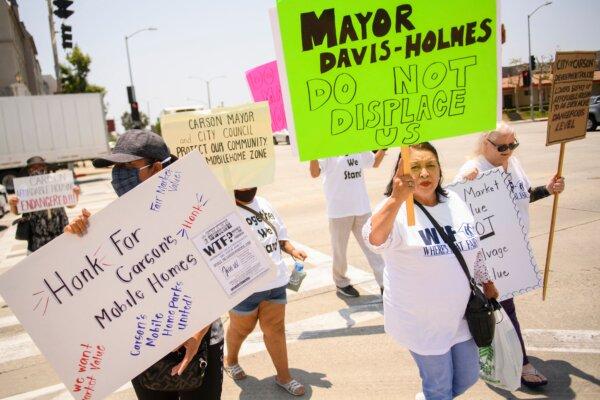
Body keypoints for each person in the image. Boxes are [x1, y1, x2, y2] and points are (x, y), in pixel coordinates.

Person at [65, 129, 223, 399]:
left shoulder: (198, 208)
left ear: (157, 168)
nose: (118, 174)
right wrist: (76, 240)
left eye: (127, 166)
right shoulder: (111, 224)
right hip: (141, 348)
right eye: (116, 167)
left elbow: (226, 275)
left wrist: (197, 333)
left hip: (203, 340)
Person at [363, 143, 499, 400]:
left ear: (439, 169)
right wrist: (396, 199)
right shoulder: (396, 210)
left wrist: (487, 280)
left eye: (430, 165)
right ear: (401, 173)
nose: (424, 173)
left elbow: (474, 246)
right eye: (415, 167)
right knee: (439, 388)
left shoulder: (454, 200)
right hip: (422, 322)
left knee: (468, 376)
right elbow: (375, 240)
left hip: (461, 314)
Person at [455, 122, 565, 389]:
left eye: (512, 144)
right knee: (505, 307)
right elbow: (457, 205)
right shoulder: (473, 171)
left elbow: (523, 196)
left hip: (512, 249)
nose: (508, 151)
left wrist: (548, 189)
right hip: (488, 256)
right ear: (485, 144)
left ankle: (488, 355)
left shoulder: (512, 164)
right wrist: (465, 182)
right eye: (502, 147)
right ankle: (522, 363)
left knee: (496, 309)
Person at [224, 187, 307, 396]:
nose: (247, 186)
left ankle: (284, 376)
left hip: (276, 282)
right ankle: (230, 359)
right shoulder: (222, 208)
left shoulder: (264, 203)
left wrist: (291, 250)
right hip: (245, 287)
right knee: (241, 329)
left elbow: (280, 238)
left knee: (276, 330)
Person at [309, 150, 386, 297]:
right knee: (340, 252)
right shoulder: (327, 149)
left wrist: (384, 147)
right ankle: (341, 283)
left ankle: (384, 284)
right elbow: (314, 173)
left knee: (373, 248)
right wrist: (311, 153)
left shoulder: (357, 144)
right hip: (339, 211)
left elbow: (374, 162)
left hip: (362, 208)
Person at [8, 156, 80, 253]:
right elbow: (17, 211)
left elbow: (70, 205)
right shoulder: (24, 187)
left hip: (61, 232)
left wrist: (75, 195)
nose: (38, 170)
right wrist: (12, 204)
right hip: (38, 237)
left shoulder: (57, 183)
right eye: (34, 168)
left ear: (45, 168)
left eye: (41, 167)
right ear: (29, 170)